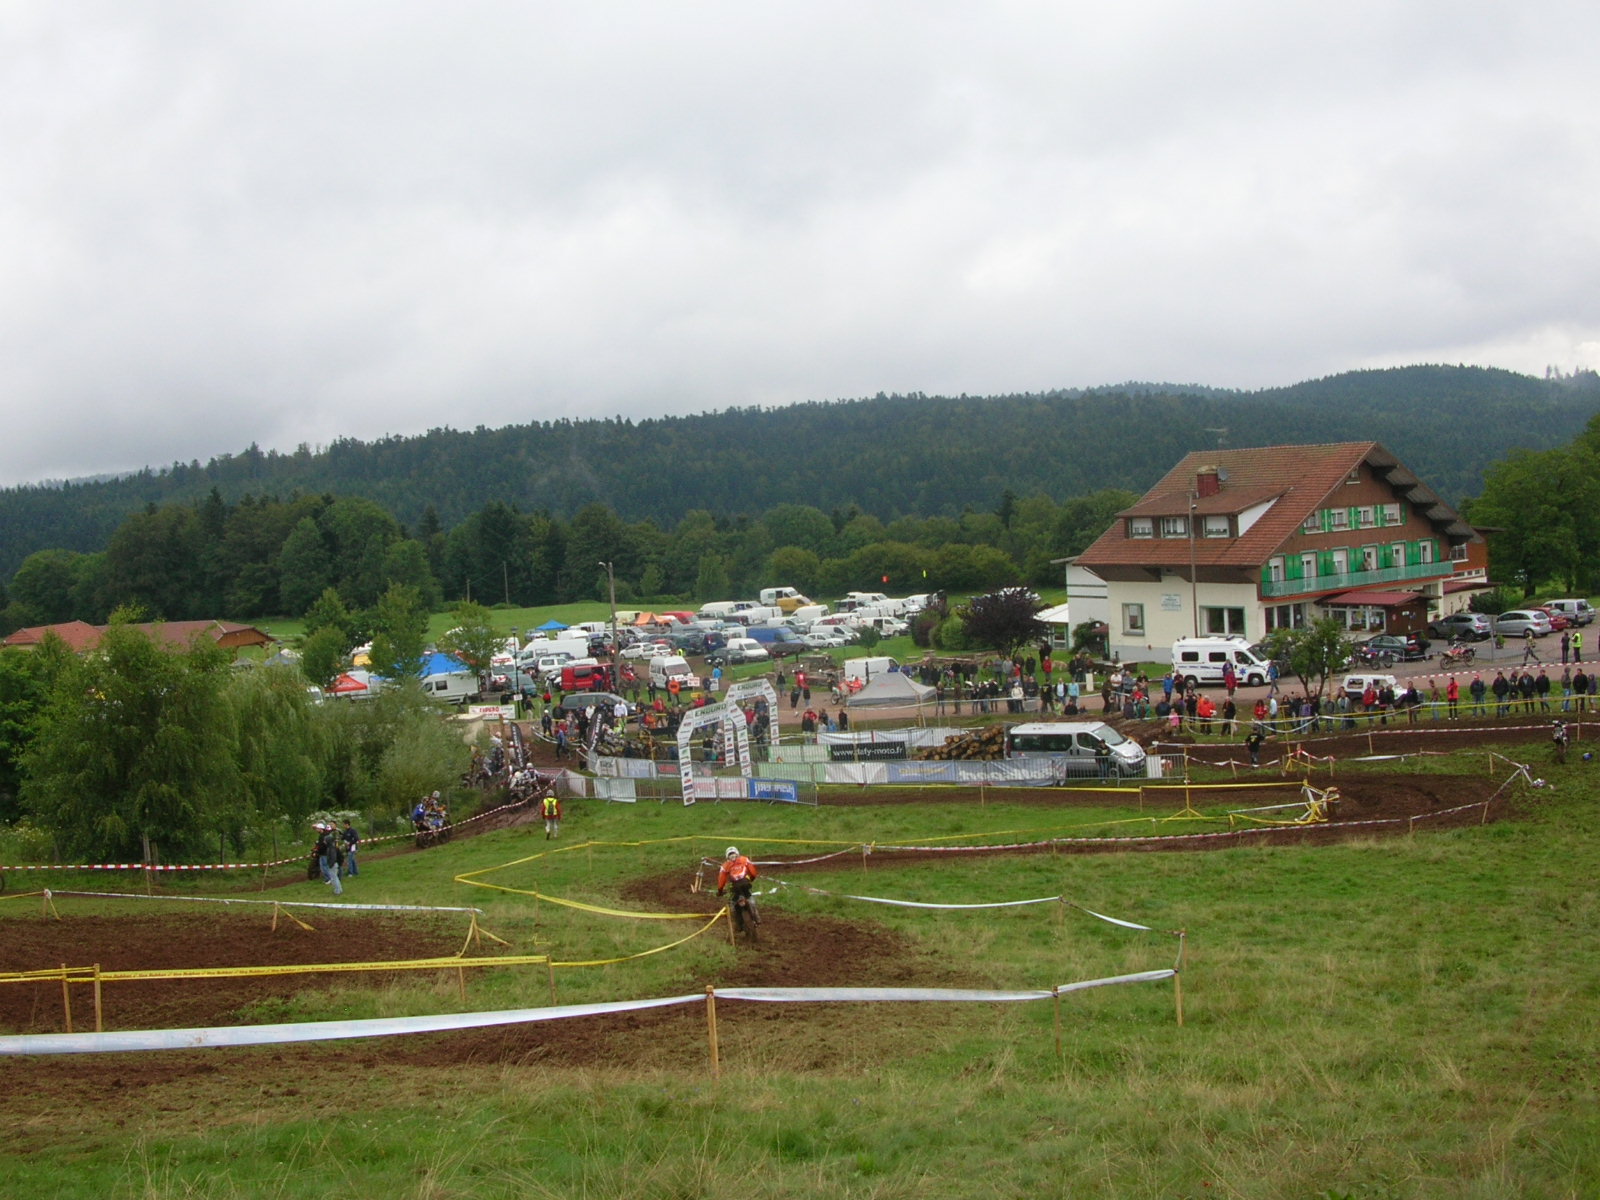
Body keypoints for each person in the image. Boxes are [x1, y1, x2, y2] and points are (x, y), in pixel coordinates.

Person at [717, 846, 759, 921]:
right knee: (749, 896)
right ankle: (756, 915)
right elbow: (753, 872)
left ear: (727, 856)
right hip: (745, 883)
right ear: (737, 853)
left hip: (734, 886)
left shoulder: (725, 865)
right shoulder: (744, 859)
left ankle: (737, 921)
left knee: (733, 902)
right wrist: (751, 879)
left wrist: (720, 890)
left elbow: (721, 880)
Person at [315, 823, 343, 896]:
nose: (324, 842)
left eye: (325, 841)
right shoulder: (332, 847)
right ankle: (339, 889)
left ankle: (337, 891)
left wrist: (330, 864)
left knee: (334, 878)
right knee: (335, 877)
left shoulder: (331, 848)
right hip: (334, 864)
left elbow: (333, 857)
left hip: (333, 864)